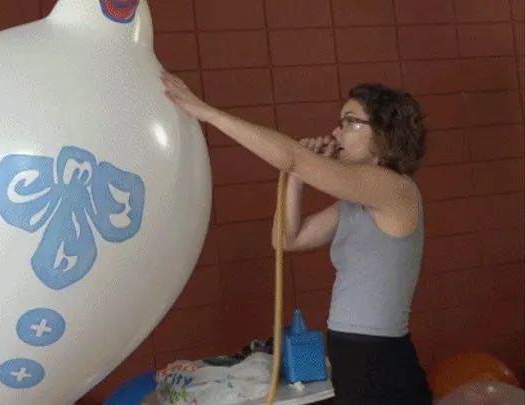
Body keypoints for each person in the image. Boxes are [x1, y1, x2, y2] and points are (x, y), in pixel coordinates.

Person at [161, 71, 432, 405]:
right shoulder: (356, 204)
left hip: (381, 362)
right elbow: (286, 239)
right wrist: (296, 178)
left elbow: (290, 155)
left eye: (349, 122)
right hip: (355, 359)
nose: (336, 132)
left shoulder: (395, 189)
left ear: (381, 135)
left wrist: (206, 112)